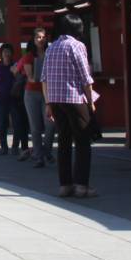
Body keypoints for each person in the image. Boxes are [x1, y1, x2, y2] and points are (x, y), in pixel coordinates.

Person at [42, 15, 97, 199]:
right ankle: (81, 185)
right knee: (82, 141)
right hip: (74, 98)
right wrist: (91, 102)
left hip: (56, 101)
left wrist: (48, 103)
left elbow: (44, 79)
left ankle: (64, 185)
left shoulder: (51, 48)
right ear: (77, 29)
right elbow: (85, 78)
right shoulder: (77, 46)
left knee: (64, 141)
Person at [21, 29, 51, 166]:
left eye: (43, 37)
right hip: (32, 93)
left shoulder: (51, 53)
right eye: (38, 37)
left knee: (50, 124)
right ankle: (39, 156)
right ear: (33, 40)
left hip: (48, 93)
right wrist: (42, 77)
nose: (41, 39)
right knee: (35, 126)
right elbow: (30, 77)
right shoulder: (29, 56)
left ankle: (46, 151)